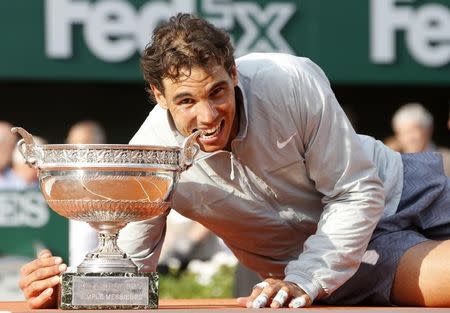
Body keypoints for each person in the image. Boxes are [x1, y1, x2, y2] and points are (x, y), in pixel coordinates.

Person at [19, 14, 450, 309]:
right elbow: (129, 263)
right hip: (338, 262)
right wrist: (76, 292)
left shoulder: (291, 79)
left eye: (217, 92)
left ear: (234, 73)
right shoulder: (152, 155)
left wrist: (304, 277)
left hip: (401, 182)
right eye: (186, 100)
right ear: (157, 94)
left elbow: (356, 189)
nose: (207, 117)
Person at [65, 120, 106, 267]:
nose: (74, 150)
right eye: (70, 144)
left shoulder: (110, 186)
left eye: (81, 144)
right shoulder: (57, 184)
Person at [391, 103, 450, 176]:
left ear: (428, 129)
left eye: (413, 131)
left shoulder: (447, 159)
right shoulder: (392, 163)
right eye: (403, 132)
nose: (409, 138)